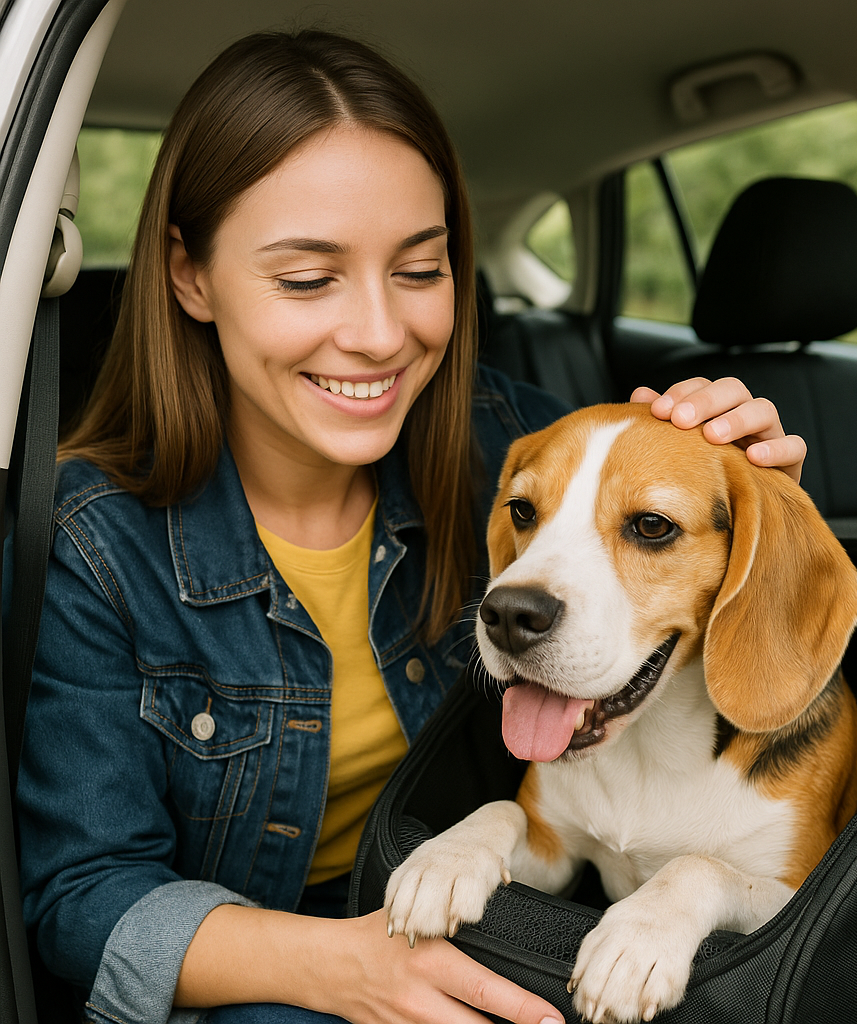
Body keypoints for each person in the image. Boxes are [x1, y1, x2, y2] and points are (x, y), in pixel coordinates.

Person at [16, 29, 807, 1024]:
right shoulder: (92, 540)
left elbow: (689, 549)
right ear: (191, 277)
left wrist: (750, 482)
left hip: (491, 916)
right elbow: (85, 901)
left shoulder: (516, 448)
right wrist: (348, 970)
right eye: (308, 278)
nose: (381, 334)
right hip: (255, 960)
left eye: (419, 270)